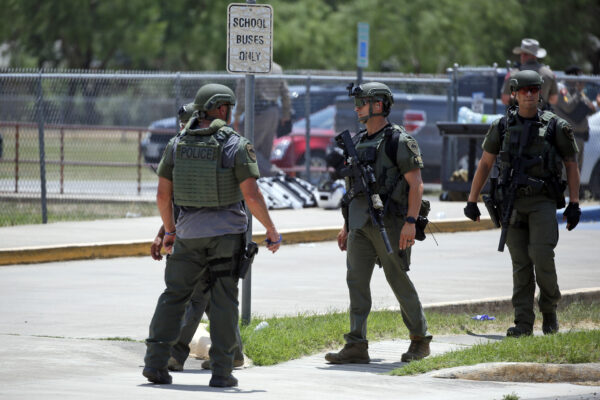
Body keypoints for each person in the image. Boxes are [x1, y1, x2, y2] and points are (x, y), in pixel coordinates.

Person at [143, 83, 281, 388]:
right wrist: (271, 229)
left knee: (173, 297)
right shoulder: (234, 144)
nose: (230, 113)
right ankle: (221, 372)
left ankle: (155, 363)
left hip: (188, 235)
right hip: (226, 237)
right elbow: (253, 195)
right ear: (221, 108)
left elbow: (163, 196)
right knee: (223, 301)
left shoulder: (177, 143)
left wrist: (169, 231)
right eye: (229, 108)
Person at [464, 70, 581, 338]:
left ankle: (549, 310)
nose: (530, 94)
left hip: (542, 201)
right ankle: (523, 323)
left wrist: (574, 203)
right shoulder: (501, 126)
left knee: (541, 256)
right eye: (524, 90)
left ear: (540, 92)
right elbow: (485, 163)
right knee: (520, 264)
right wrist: (472, 200)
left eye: (535, 89)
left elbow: (571, 165)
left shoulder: (555, 127)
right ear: (514, 93)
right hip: (512, 203)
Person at [325, 82, 432, 365]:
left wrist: (411, 221)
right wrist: (346, 226)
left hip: (392, 223)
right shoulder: (357, 141)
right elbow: (351, 192)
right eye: (357, 102)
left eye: (362, 102)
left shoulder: (399, 141)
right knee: (356, 282)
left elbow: (417, 185)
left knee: (397, 278)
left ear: (379, 105)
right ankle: (356, 344)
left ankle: (420, 340)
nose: (357, 107)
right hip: (360, 224)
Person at [149, 103, 244, 373]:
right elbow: (176, 202)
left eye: (186, 122)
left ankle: (174, 354)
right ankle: (232, 353)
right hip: (191, 234)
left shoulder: (213, 150)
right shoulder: (184, 149)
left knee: (194, 298)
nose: (182, 127)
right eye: (181, 123)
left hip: (211, 237)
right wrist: (162, 234)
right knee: (212, 299)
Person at [233, 61, 291, 176]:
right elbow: (286, 93)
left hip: (258, 113)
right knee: (264, 152)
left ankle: (273, 172)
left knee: (246, 148)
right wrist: (285, 114)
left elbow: (242, 94)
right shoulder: (277, 68)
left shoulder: (250, 66)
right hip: (273, 111)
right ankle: (264, 181)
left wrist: (237, 116)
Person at [553, 65, 598, 171]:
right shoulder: (562, 89)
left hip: (580, 137)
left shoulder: (576, 91)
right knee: (568, 173)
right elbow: (568, 106)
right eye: (579, 76)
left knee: (577, 172)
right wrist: (578, 92)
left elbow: (590, 108)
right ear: (572, 76)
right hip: (568, 137)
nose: (581, 79)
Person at [501, 38, 558, 110]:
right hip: (542, 118)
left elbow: (505, 99)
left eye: (521, 54)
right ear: (536, 55)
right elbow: (554, 99)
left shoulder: (513, 74)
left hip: (518, 118)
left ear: (523, 55)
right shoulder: (549, 74)